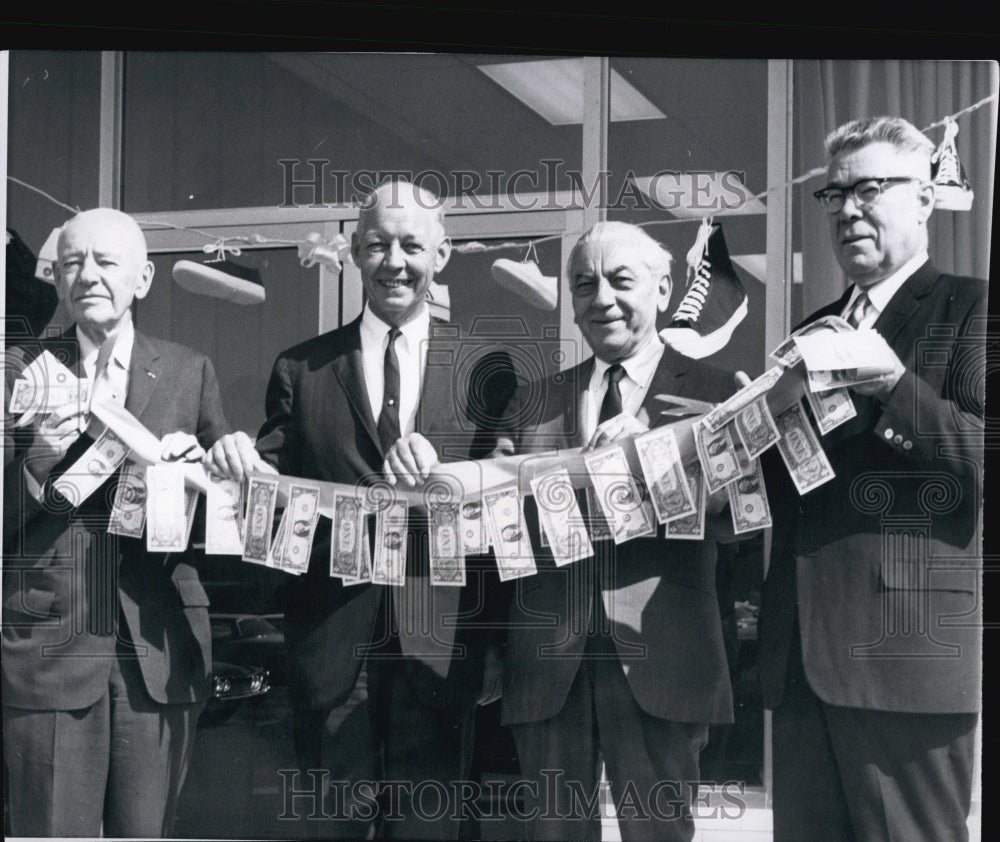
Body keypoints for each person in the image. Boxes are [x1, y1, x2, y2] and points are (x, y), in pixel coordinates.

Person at [206, 179, 504, 840]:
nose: (394, 261)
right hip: (334, 648)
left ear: (443, 253)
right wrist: (236, 464)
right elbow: (271, 488)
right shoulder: (302, 368)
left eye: (411, 245)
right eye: (377, 245)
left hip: (439, 647)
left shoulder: (488, 369)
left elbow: (507, 496)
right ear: (353, 252)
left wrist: (452, 472)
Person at [758, 116, 986, 842]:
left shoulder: (976, 309)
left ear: (925, 200)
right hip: (800, 664)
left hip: (905, 660)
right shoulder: (810, 329)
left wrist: (892, 380)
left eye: (872, 189)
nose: (849, 208)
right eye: (835, 194)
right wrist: (743, 433)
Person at [489, 220, 740, 842]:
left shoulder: (717, 395)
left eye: (619, 280)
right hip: (548, 664)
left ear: (663, 288)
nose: (600, 298)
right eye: (582, 284)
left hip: (663, 655)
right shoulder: (529, 403)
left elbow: (740, 518)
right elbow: (496, 534)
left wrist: (657, 456)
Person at [2, 208, 231, 837]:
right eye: (73, 262)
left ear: (144, 278)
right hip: (47, 649)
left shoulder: (191, 371)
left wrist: (201, 484)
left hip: (158, 650)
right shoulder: (15, 372)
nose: (88, 275)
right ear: (56, 281)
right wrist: (32, 470)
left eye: (106, 262)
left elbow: (231, 531)